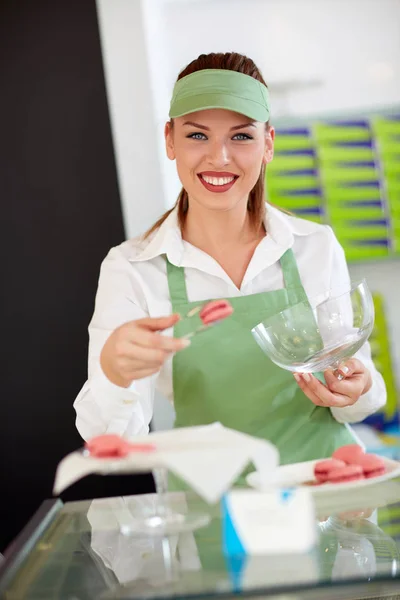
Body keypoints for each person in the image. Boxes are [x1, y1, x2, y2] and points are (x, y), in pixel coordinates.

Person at [74, 52, 386, 464]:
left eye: (240, 136)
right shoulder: (133, 269)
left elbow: (359, 389)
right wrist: (114, 370)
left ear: (268, 144)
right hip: (208, 508)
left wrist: (357, 388)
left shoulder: (315, 246)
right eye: (197, 135)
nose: (219, 157)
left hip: (326, 490)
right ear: (170, 139)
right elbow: (107, 440)